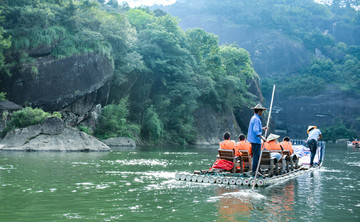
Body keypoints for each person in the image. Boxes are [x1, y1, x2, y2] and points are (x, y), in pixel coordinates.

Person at [247, 104, 267, 176]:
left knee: (257, 155)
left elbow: (257, 128)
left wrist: (263, 128)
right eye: (261, 111)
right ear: (259, 111)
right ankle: (254, 171)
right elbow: (255, 130)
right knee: (256, 156)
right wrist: (263, 138)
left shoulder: (254, 118)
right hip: (255, 140)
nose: (262, 113)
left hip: (254, 140)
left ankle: (257, 169)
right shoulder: (256, 119)